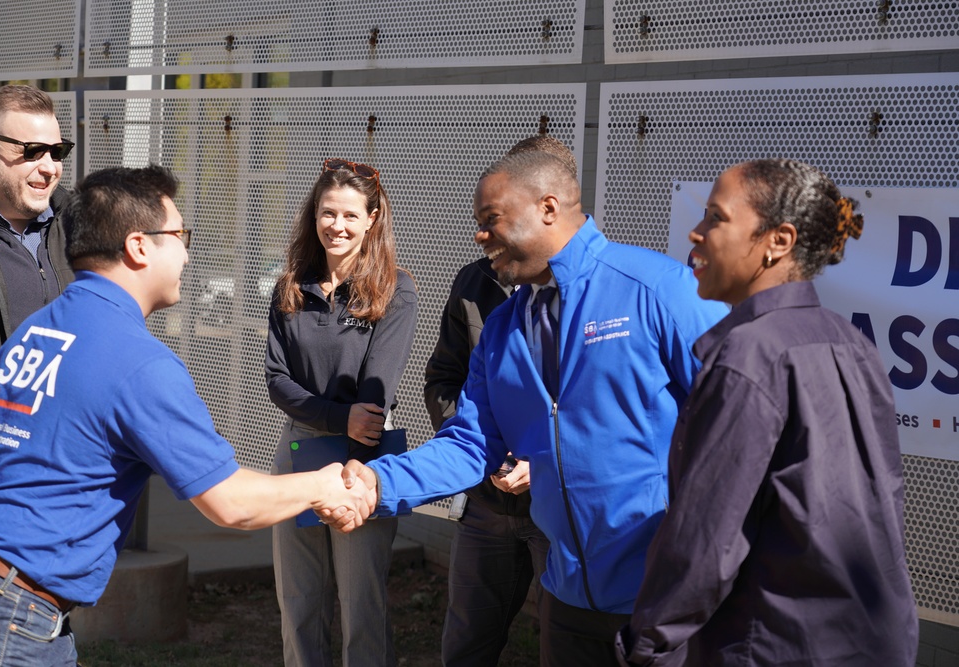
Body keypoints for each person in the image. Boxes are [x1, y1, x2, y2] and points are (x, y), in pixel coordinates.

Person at [0, 164, 374, 667]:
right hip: (8, 615)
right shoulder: (138, 362)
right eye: (180, 235)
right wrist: (326, 485)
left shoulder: (36, 330)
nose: (186, 250)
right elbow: (232, 504)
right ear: (139, 246)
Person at [330, 149, 728, 665]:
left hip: (666, 599)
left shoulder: (658, 290)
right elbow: (471, 443)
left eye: (490, 219)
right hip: (566, 602)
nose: (479, 235)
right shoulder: (501, 329)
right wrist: (381, 484)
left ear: (548, 207)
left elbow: (738, 424)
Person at [616, 159, 918, 666]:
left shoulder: (748, 356)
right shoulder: (852, 344)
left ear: (778, 241)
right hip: (872, 641)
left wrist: (646, 646)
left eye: (716, 216)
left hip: (774, 643)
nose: (697, 231)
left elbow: (706, 540)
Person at [424, 134, 578, 666]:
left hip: (557, 509)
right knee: (466, 642)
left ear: (550, 205)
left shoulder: (601, 294)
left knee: (567, 640)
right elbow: (444, 379)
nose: (485, 230)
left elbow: (595, 408)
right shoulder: (474, 282)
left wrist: (542, 462)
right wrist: (485, 451)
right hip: (487, 505)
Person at [265, 159, 418, 667]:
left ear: (373, 218)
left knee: (361, 606)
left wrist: (352, 435)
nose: (338, 225)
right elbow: (277, 380)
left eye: (351, 215)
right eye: (328, 213)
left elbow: (377, 396)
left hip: (363, 458)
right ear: (314, 215)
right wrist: (335, 417)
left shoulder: (394, 290)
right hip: (298, 448)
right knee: (299, 603)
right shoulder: (290, 287)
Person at [0, 85, 76, 467]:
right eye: (31, 152)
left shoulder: (82, 230)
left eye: (57, 152)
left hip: (60, 471)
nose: (49, 167)